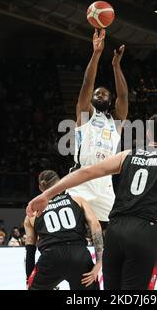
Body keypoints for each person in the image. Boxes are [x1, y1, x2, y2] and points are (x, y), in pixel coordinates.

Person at [28, 113, 157, 290]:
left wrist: (47, 195)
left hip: (115, 230)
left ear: (148, 133)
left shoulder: (127, 155)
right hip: (146, 232)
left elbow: (85, 173)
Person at [69, 28, 128, 230]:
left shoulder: (116, 121)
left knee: (115, 228)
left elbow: (124, 97)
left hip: (105, 183)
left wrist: (116, 65)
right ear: (92, 99)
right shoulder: (85, 114)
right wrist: (96, 53)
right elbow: (87, 82)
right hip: (81, 180)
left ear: (110, 100)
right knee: (70, 229)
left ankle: (106, 260)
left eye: (105, 94)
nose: (101, 94)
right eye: (97, 93)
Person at [24, 170, 103, 290]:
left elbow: (30, 246)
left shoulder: (33, 212)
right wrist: (99, 262)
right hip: (79, 255)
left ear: (40, 187)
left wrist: (29, 277)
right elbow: (96, 225)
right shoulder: (78, 200)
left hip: (51, 257)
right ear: (60, 183)